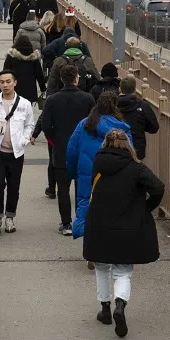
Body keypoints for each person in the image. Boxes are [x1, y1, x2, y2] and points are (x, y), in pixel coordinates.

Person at [83, 130, 165, 338]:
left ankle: (105, 309)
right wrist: (146, 207)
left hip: (99, 223)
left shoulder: (98, 163)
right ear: (127, 146)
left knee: (101, 266)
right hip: (128, 225)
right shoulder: (136, 167)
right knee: (123, 270)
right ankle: (120, 304)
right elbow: (158, 187)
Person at [38, 63, 96, 235]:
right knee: (81, 186)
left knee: (62, 187)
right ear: (77, 78)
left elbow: (46, 124)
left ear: (61, 79)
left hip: (61, 148)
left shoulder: (53, 99)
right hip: (82, 149)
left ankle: (66, 224)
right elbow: (93, 124)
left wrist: (55, 139)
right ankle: (81, 219)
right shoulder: (87, 99)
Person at [66, 92, 132, 240]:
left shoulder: (85, 124)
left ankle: (89, 245)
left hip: (86, 173)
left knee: (86, 207)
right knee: (111, 209)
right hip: (114, 174)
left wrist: (72, 173)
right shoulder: (123, 129)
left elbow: (72, 150)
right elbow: (131, 154)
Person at [0, 70, 36, 236]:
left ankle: (10, 217)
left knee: (14, 186)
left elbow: (30, 125)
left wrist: (24, 140)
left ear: (15, 82)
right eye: (2, 82)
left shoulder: (25, 104)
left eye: (8, 81)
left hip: (16, 152)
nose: (5, 85)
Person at [115, 76, 160, 161]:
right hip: (136, 149)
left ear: (120, 89)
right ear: (135, 90)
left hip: (116, 147)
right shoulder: (142, 105)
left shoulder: (112, 105)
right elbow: (154, 128)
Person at [3, 35, 46, 106]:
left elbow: (5, 72)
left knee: (14, 108)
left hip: (14, 88)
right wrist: (43, 89)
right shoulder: (34, 57)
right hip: (30, 89)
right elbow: (39, 74)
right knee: (27, 109)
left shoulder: (11, 56)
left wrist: (3, 85)